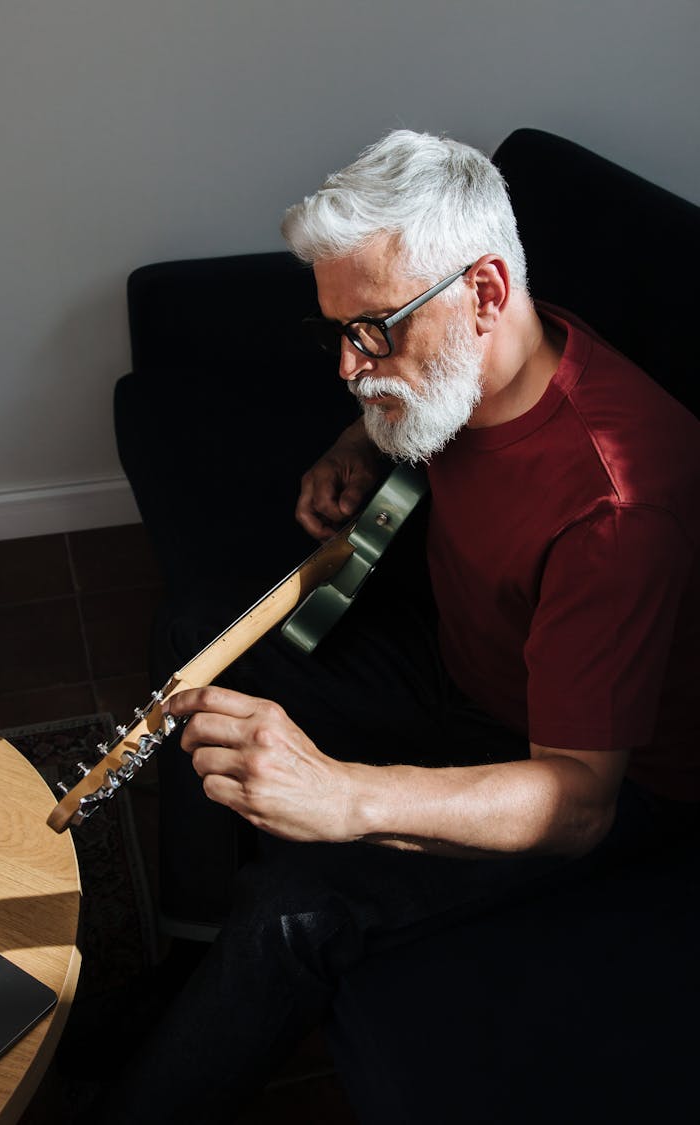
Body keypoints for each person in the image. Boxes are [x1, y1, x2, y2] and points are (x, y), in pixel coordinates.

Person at [95, 131, 699, 1123]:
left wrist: (346, 797)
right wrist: (357, 446)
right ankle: (188, 958)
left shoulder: (618, 508)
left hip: (596, 776)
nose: (346, 364)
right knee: (197, 639)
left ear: (488, 293)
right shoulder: (497, 349)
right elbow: (420, 417)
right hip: (469, 670)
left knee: (296, 908)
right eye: (336, 331)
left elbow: (579, 802)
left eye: (373, 332)